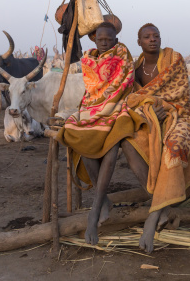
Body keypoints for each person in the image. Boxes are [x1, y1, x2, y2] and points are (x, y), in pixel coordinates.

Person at [120, 23, 190, 253]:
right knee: (129, 143)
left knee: (173, 147)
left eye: (156, 36)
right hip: (151, 120)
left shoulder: (173, 59)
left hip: (182, 115)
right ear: (139, 42)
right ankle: (162, 205)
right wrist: (149, 111)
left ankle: (152, 216)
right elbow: (135, 99)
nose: (153, 39)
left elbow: (182, 94)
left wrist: (164, 107)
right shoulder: (135, 69)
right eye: (147, 37)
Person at [56, 22, 139, 245]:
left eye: (108, 39)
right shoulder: (88, 60)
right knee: (83, 142)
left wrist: (108, 105)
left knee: (111, 149)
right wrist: (97, 107)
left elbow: (124, 82)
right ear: (94, 39)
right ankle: (104, 202)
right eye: (100, 39)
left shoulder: (123, 58)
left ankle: (95, 210)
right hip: (92, 107)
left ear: (116, 40)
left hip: (118, 106)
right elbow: (93, 87)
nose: (104, 42)